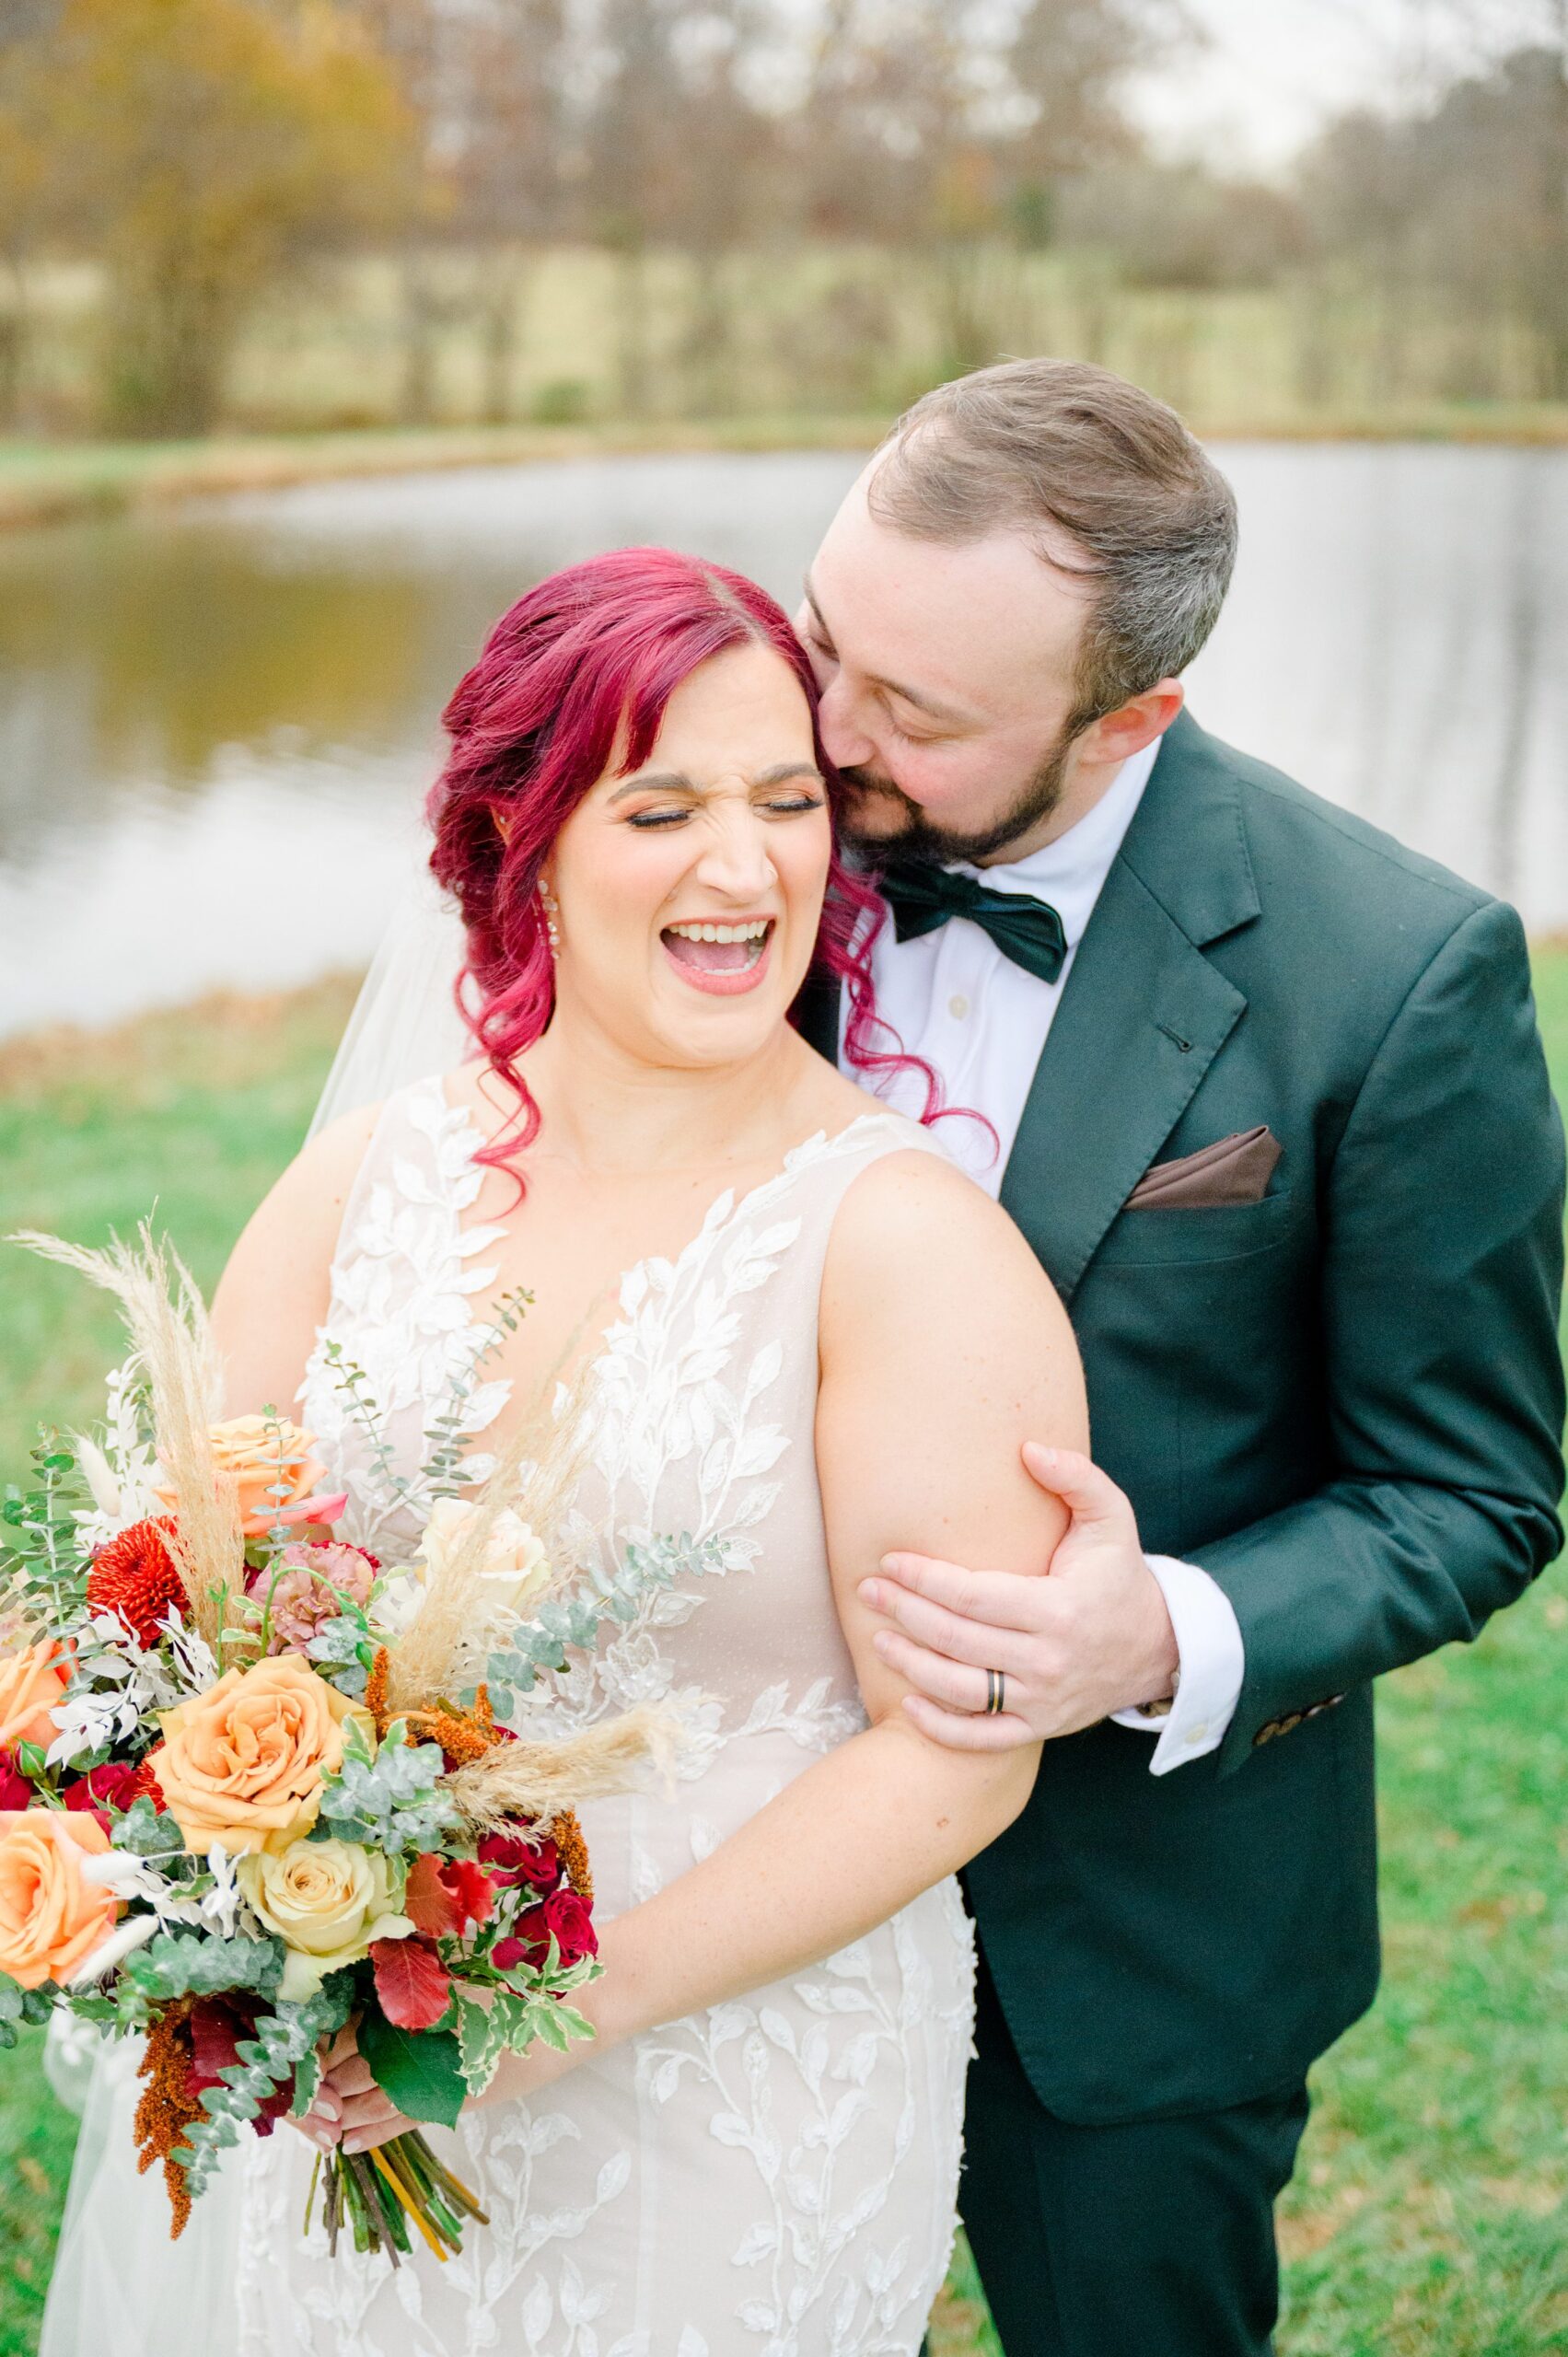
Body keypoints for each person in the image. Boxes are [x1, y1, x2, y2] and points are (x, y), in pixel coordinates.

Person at [40, 545, 1087, 2357]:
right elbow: (172, 1606)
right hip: (357, 2064)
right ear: (521, 844)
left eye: (786, 802)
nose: (743, 868)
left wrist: (554, 2012)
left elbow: (960, 1755)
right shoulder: (363, 1181)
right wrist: (246, 1885)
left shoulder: (907, 1246)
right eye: (660, 808)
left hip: (732, 2103)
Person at [785, 358, 1567, 2357]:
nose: (829, 733)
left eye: (918, 711)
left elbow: (1471, 1490)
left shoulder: (1396, 974)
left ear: (1131, 713)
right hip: (721, 1865)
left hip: (1125, 1942)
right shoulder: (740, 834)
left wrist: (1162, 1636)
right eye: (826, 638)